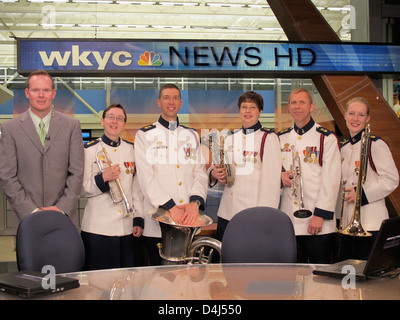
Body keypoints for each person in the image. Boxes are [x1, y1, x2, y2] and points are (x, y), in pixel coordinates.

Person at [0, 69, 84, 234]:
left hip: (64, 219)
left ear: (53, 93)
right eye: (35, 90)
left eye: (45, 90)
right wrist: (31, 211)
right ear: (27, 93)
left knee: (64, 260)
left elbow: (77, 173)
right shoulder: (10, 129)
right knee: (31, 261)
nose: (41, 95)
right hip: (26, 220)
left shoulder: (71, 126)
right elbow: (7, 176)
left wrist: (60, 208)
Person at [134, 83, 208, 265]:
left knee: (186, 281)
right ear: (159, 102)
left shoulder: (191, 135)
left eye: (175, 98)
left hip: (188, 220)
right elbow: (145, 177)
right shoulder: (145, 135)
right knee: (159, 283)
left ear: (181, 103)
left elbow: (200, 172)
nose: (171, 101)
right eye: (166, 97)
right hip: (159, 221)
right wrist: (170, 207)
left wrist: (195, 203)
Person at [278, 87, 341, 264]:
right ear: (289, 108)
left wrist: (320, 215)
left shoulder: (326, 138)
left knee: (320, 283)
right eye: (293, 103)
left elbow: (332, 180)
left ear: (312, 107)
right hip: (289, 221)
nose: (297, 106)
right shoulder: (280, 138)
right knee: (292, 280)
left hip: (317, 222)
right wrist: (279, 176)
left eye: (302, 102)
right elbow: (271, 170)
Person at [210, 91, 282, 241]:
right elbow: (217, 168)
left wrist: (264, 216)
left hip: (251, 214)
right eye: (244, 107)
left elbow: (271, 182)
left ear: (260, 111)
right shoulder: (230, 138)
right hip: (227, 211)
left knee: (249, 260)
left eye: (252, 107)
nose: (247, 111)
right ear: (239, 110)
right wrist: (214, 173)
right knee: (226, 258)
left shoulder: (268, 138)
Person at [81, 104, 144, 270]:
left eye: (119, 118)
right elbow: (80, 188)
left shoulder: (132, 150)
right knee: (98, 284)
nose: (114, 121)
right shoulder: (89, 150)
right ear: (102, 121)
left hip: (126, 227)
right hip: (98, 229)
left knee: (126, 281)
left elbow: (136, 188)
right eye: (110, 117)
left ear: (124, 124)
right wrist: (103, 178)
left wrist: (138, 217)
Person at [337, 97, 399, 260]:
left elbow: (391, 179)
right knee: (348, 275)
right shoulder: (343, 149)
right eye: (351, 113)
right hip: (346, 225)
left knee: (368, 279)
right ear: (345, 115)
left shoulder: (375, 144)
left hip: (371, 223)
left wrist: (361, 194)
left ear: (368, 118)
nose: (355, 119)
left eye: (361, 115)